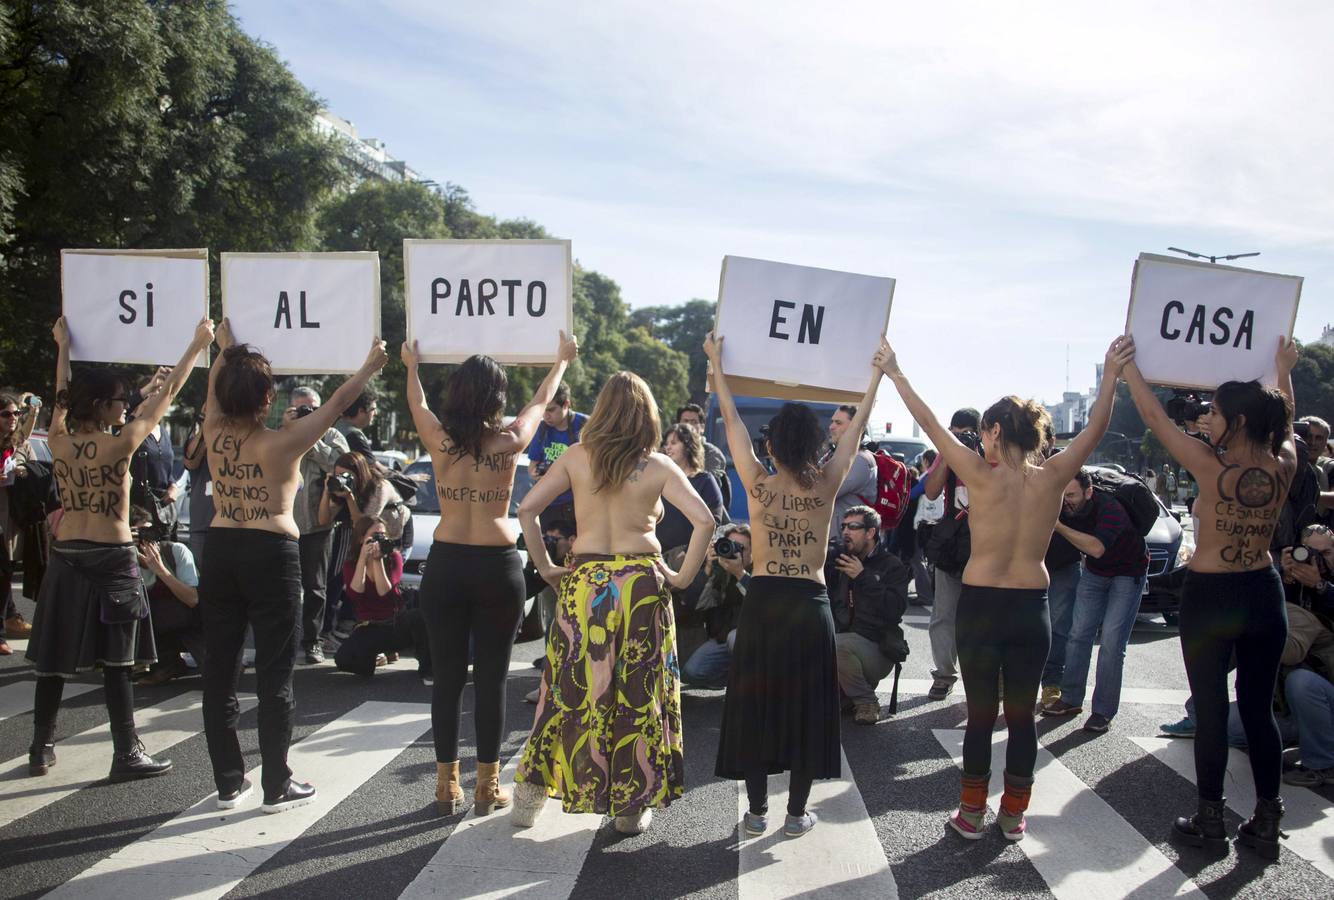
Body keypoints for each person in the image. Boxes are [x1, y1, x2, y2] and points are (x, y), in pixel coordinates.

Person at [878, 335, 1131, 842]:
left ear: (993, 431)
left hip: (981, 605)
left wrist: (895, 372)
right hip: (1029, 607)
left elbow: (928, 423)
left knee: (979, 717)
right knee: (1021, 718)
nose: (982, 443)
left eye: (985, 435)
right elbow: (1098, 426)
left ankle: (971, 813)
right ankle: (1013, 815)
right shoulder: (1056, 474)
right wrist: (1110, 375)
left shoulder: (979, 472)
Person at [512, 370, 714, 836]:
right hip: (641, 585)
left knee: (567, 688)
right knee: (636, 695)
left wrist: (545, 568)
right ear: (648, 416)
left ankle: (530, 796)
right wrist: (681, 577)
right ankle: (628, 806)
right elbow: (703, 521)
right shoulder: (659, 465)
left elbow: (527, 510)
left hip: (586, 583)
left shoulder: (579, 457)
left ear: (600, 410)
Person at [199, 321, 387, 814]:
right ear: (265, 399)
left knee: (219, 669)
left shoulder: (212, 428)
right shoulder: (282, 443)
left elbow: (212, 392)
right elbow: (335, 405)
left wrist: (224, 350)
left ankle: (227, 781)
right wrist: (367, 367)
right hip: (270, 553)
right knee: (275, 672)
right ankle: (276, 782)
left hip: (221, 546)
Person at [1122, 336, 1298, 860]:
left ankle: (1211, 817)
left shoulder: (1207, 464)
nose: (1206, 420)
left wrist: (1130, 370)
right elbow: (1286, 427)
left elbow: (1155, 419)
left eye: (1215, 413)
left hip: (1212, 594)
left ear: (1237, 423)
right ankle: (1268, 819)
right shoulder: (1284, 464)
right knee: (1258, 710)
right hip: (1264, 592)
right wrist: (1284, 371)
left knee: (1212, 713)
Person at [707, 332, 883, 840]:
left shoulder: (758, 484)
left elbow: (733, 423)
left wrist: (719, 365)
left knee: (758, 703)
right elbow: (860, 427)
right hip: (809, 604)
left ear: (772, 446)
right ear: (813, 445)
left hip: (763, 603)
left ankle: (758, 810)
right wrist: (875, 377)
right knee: (807, 706)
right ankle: (795, 815)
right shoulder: (827, 483)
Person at [26, 316, 213, 780]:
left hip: (67, 556)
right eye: (120, 400)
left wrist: (63, 348)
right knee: (118, 662)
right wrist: (195, 346)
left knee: (53, 658)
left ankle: (40, 745)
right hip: (112, 558)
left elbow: (61, 395)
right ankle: (126, 752)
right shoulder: (122, 444)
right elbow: (165, 398)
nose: (126, 405)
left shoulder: (58, 442)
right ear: (102, 405)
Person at [402, 331, 578, 818]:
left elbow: (415, 401)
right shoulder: (509, 440)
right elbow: (542, 402)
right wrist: (560, 361)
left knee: (448, 678)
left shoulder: (440, 439)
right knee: (494, 678)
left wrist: (411, 365)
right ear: (497, 398)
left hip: (447, 564)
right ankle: (486, 786)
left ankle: (445, 786)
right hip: (497, 566)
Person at [1041, 470, 1150, 733]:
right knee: (1078, 634)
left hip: (1128, 572)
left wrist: (1058, 526)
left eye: (1072, 496)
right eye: (1062, 495)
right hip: (1095, 572)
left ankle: (1102, 711)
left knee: (1112, 641)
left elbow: (1096, 547)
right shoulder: (1064, 507)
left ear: (1089, 493)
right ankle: (1070, 698)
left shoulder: (1110, 508)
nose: (1066, 502)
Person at [919, 408, 982, 701]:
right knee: (943, 616)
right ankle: (944, 675)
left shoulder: (989, 456)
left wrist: (974, 452)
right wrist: (948, 453)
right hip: (951, 544)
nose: (960, 439)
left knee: (980, 618)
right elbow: (931, 491)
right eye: (954, 433)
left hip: (983, 545)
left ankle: (983, 677)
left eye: (965, 434)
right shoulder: (946, 455)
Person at [829, 506, 911, 725]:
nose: (846, 531)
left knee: (834, 645)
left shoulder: (891, 566)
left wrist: (863, 577)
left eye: (853, 527)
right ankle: (847, 693)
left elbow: (894, 610)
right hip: (845, 643)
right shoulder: (839, 561)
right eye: (844, 526)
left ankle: (866, 701)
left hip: (877, 648)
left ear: (871, 533)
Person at [287, 386, 350, 665]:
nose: (307, 414)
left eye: (312, 409)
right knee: (282, 589)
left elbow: (340, 465)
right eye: (301, 409)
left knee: (315, 588)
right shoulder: (282, 433)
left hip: (318, 526)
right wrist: (291, 430)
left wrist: (309, 438)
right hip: (284, 526)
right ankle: (283, 643)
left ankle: (312, 642)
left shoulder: (332, 435)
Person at [332, 515, 430, 678]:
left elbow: (385, 592)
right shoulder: (352, 563)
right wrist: (363, 558)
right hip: (369, 626)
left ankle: (426, 668)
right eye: (374, 536)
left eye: (382, 536)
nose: (379, 540)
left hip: (395, 622)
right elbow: (355, 593)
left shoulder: (393, 557)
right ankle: (375, 657)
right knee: (344, 660)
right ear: (361, 539)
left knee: (418, 618)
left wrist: (378, 561)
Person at [318, 450, 396, 649]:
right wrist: (328, 491)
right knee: (338, 578)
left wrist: (350, 497)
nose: (343, 480)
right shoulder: (341, 488)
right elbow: (323, 520)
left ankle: (379, 630)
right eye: (338, 475)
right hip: (356, 535)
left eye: (347, 476)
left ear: (359, 473)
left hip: (384, 533)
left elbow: (365, 525)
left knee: (378, 582)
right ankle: (336, 627)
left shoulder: (378, 487)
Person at [130, 505, 203, 687]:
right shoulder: (126, 560)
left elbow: (193, 599)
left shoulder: (175, 551)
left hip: (193, 620)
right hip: (156, 625)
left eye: (150, 532)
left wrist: (161, 570)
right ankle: (167, 664)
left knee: (218, 672)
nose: (146, 540)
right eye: (139, 534)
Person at [680, 523, 752, 688]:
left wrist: (740, 574)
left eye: (740, 547)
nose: (732, 551)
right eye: (728, 545)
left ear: (754, 553)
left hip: (754, 641)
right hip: (722, 640)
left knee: (735, 637)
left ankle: (750, 690)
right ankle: (732, 680)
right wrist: (708, 569)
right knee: (692, 672)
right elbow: (694, 604)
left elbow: (761, 603)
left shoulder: (761, 571)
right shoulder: (719, 571)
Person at [1, 390, 40, 651]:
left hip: (9, 518)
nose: (13, 418)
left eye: (16, 413)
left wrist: (22, 471)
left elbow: (25, 440)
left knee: (4, 572)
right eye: (6, 414)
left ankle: (9, 620)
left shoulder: (15, 443)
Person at [525, 383, 587, 530]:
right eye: (542, 410)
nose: (546, 416)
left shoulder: (586, 426)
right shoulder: (541, 429)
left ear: (566, 404)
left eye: (551, 410)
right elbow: (532, 469)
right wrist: (541, 473)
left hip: (578, 506)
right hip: (548, 504)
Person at [657, 423, 725, 552]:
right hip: (658, 557)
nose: (668, 448)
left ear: (688, 446)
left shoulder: (705, 481)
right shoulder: (661, 479)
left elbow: (713, 524)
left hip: (688, 558)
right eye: (666, 444)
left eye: (674, 443)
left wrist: (687, 553)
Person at [826, 404, 877, 541]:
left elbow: (823, 492)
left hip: (848, 545)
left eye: (838, 423)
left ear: (855, 427)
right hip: (837, 540)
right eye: (832, 421)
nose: (831, 427)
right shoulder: (835, 456)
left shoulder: (859, 460)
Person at [180, 406, 214, 572]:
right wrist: (205, 429)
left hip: (228, 524)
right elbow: (190, 462)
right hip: (202, 525)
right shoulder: (198, 440)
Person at [677, 403, 728, 501]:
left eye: (694, 422)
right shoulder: (668, 450)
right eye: (685, 421)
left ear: (702, 428)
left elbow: (710, 486)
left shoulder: (713, 454)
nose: (689, 425)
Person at [336, 391, 377, 460]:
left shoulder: (336, 426)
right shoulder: (354, 435)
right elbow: (372, 465)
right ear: (360, 411)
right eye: (372, 409)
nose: (375, 413)